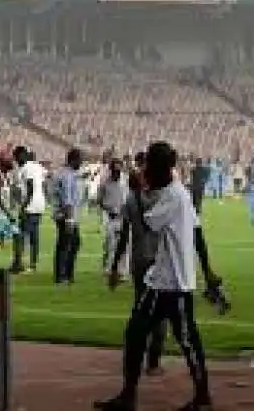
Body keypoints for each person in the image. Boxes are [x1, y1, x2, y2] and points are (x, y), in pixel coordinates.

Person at [95, 141, 220, 411]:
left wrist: (139, 192)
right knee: (139, 333)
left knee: (186, 340)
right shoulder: (178, 193)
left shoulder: (173, 197)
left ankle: (201, 396)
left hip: (173, 282)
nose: (146, 169)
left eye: (149, 165)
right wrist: (208, 271)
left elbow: (147, 224)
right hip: (162, 278)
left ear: (160, 167)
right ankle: (130, 395)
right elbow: (197, 231)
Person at [108, 154, 166, 376]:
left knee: (140, 309)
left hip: (139, 259)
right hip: (160, 260)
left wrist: (115, 266)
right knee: (160, 313)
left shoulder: (131, 201)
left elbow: (124, 236)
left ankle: (134, 356)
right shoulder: (164, 198)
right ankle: (153, 362)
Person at [52, 148, 83, 284]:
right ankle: (62, 275)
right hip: (66, 215)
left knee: (72, 243)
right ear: (73, 160)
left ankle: (66, 273)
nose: (81, 163)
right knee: (66, 244)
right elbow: (67, 199)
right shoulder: (67, 176)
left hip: (65, 214)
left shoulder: (66, 174)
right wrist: (70, 219)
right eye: (80, 160)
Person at [14, 147, 46, 273]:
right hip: (39, 204)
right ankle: (33, 264)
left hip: (30, 206)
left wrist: (23, 207)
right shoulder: (37, 166)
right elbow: (42, 183)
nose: (16, 160)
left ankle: (19, 264)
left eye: (16, 157)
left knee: (22, 235)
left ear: (22, 155)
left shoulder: (27, 168)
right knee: (34, 235)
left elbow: (30, 187)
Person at [98, 157, 129, 277]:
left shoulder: (125, 181)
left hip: (124, 216)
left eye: (119, 170)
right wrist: (107, 208)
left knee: (124, 245)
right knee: (110, 244)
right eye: (115, 170)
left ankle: (123, 270)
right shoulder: (105, 182)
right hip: (110, 217)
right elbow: (99, 200)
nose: (117, 173)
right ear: (111, 170)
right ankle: (109, 267)